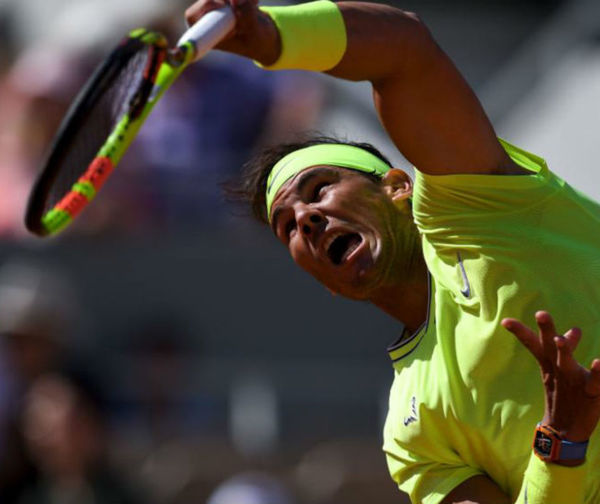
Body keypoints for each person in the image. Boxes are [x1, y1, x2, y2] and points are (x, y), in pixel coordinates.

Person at [184, 1, 600, 503]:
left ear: (399, 187)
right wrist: (562, 442)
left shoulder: (480, 209)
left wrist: (273, 36)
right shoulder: (411, 437)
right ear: (323, 281)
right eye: (287, 226)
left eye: (318, 189)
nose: (306, 219)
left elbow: (402, 50)